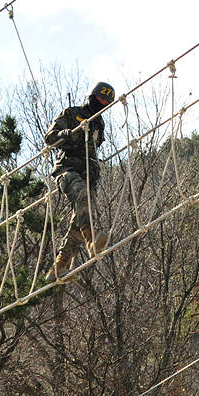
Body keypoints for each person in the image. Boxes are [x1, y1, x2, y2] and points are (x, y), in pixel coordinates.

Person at [45, 82, 117, 281]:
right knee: (82, 195)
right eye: (100, 99)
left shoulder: (98, 123)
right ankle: (91, 240)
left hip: (89, 173)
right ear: (92, 97)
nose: (102, 103)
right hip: (67, 169)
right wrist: (64, 134)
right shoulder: (71, 113)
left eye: (106, 102)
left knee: (81, 215)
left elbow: (94, 147)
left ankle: (60, 264)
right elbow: (49, 138)